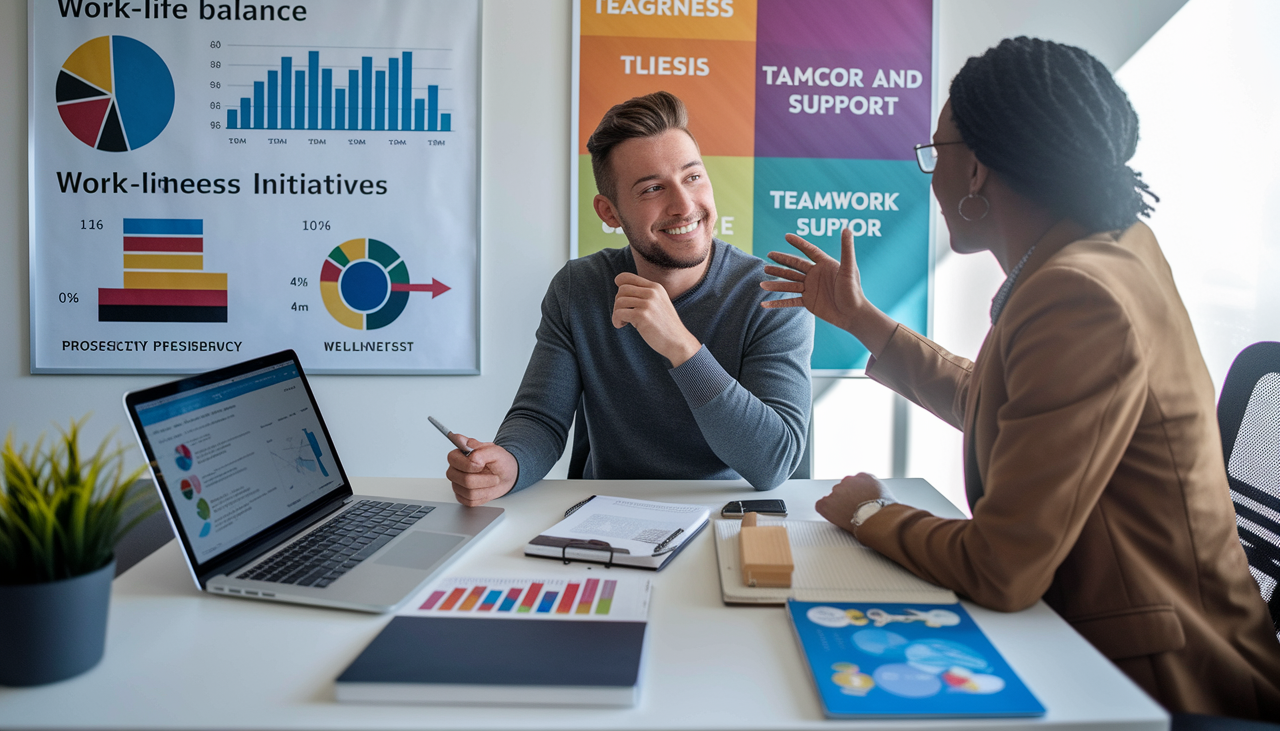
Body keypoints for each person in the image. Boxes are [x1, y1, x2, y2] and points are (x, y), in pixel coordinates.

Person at [761, 37, 1280, 718]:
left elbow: (1001, 568)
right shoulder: (1104, 253)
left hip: (1158, 679)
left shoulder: (1080, 293)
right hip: (1103, 636)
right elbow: (1006, 406)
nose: (931, 177)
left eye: (936, 154)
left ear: (976, 169)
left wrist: (868, 513)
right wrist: (864, 322)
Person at [446, 91, 813, 506]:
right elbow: (540, 419)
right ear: (609, 213)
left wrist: (682, 348)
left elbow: (774, 462)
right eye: (653, 188)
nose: (684, 205)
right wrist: (508, 464)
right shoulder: (578, 287)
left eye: (692, 177)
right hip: (608, 517)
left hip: (727, 514)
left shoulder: (773, 294)